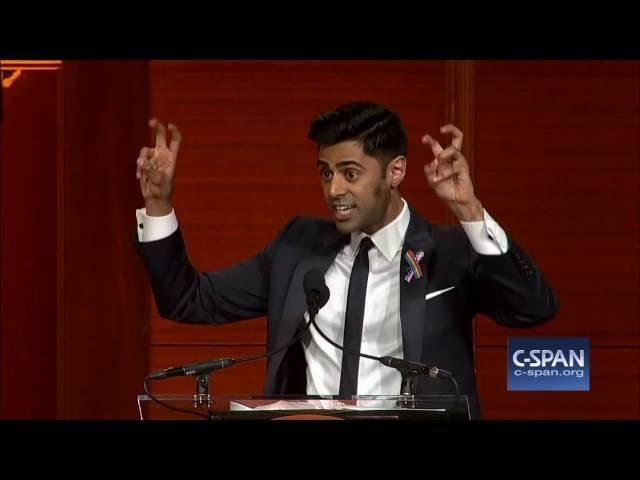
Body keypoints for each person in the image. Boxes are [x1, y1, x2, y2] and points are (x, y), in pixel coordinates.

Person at [133, 101, 559, 419]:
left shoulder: (448, 253)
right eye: (325, 172)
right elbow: (186, 299)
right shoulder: (296, 250)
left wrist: (470, 210)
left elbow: (534, 307)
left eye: (350, 173)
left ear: (395, 172)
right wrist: (157, 203)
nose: (334, 188)